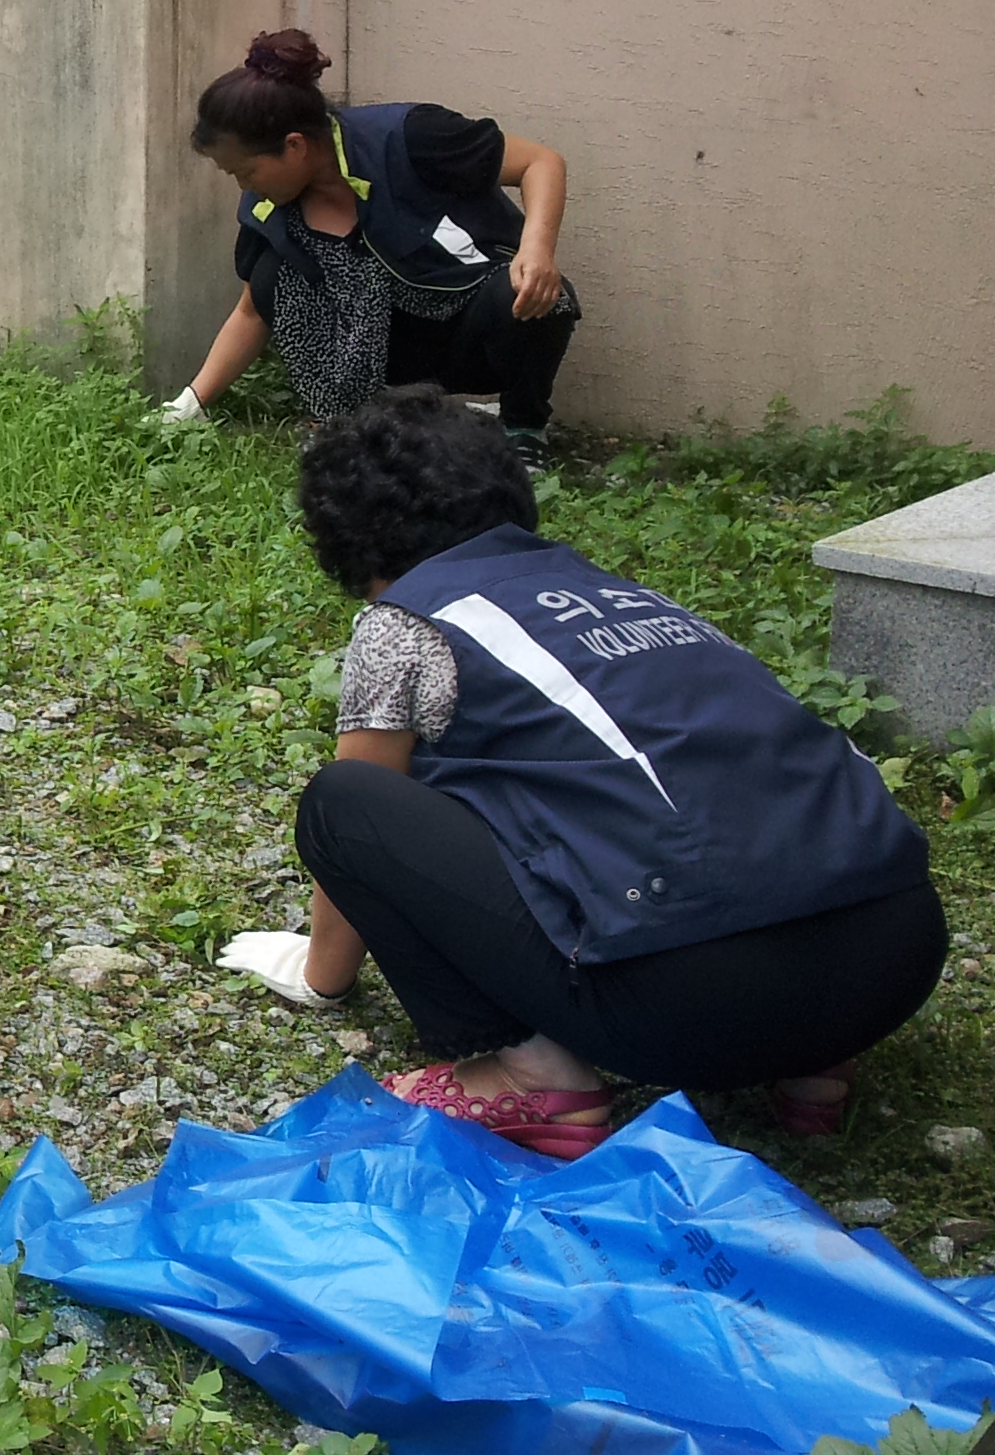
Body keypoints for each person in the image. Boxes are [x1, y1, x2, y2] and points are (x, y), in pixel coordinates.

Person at [223, 390, 947, 1158]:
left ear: (349, 539)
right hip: (895, 957)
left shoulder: (405, 621)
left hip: (695, 1004)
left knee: (341, 803)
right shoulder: (626, 595)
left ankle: (532, 1073)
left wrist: (321, 975)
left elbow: (364, 818)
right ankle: (814, 1070)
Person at [164, 30, 581, 455]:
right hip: (381, 356)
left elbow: (540, 162)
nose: (243, 186)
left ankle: (523, 430)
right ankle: (348, 424)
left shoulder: (410, 136)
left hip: (465, 327)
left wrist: (536, 249)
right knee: (271, 275)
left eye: (247, 172)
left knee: (541, 296)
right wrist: (189, 403)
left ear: (294, 146)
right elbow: (251, 311)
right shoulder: (268, 207)